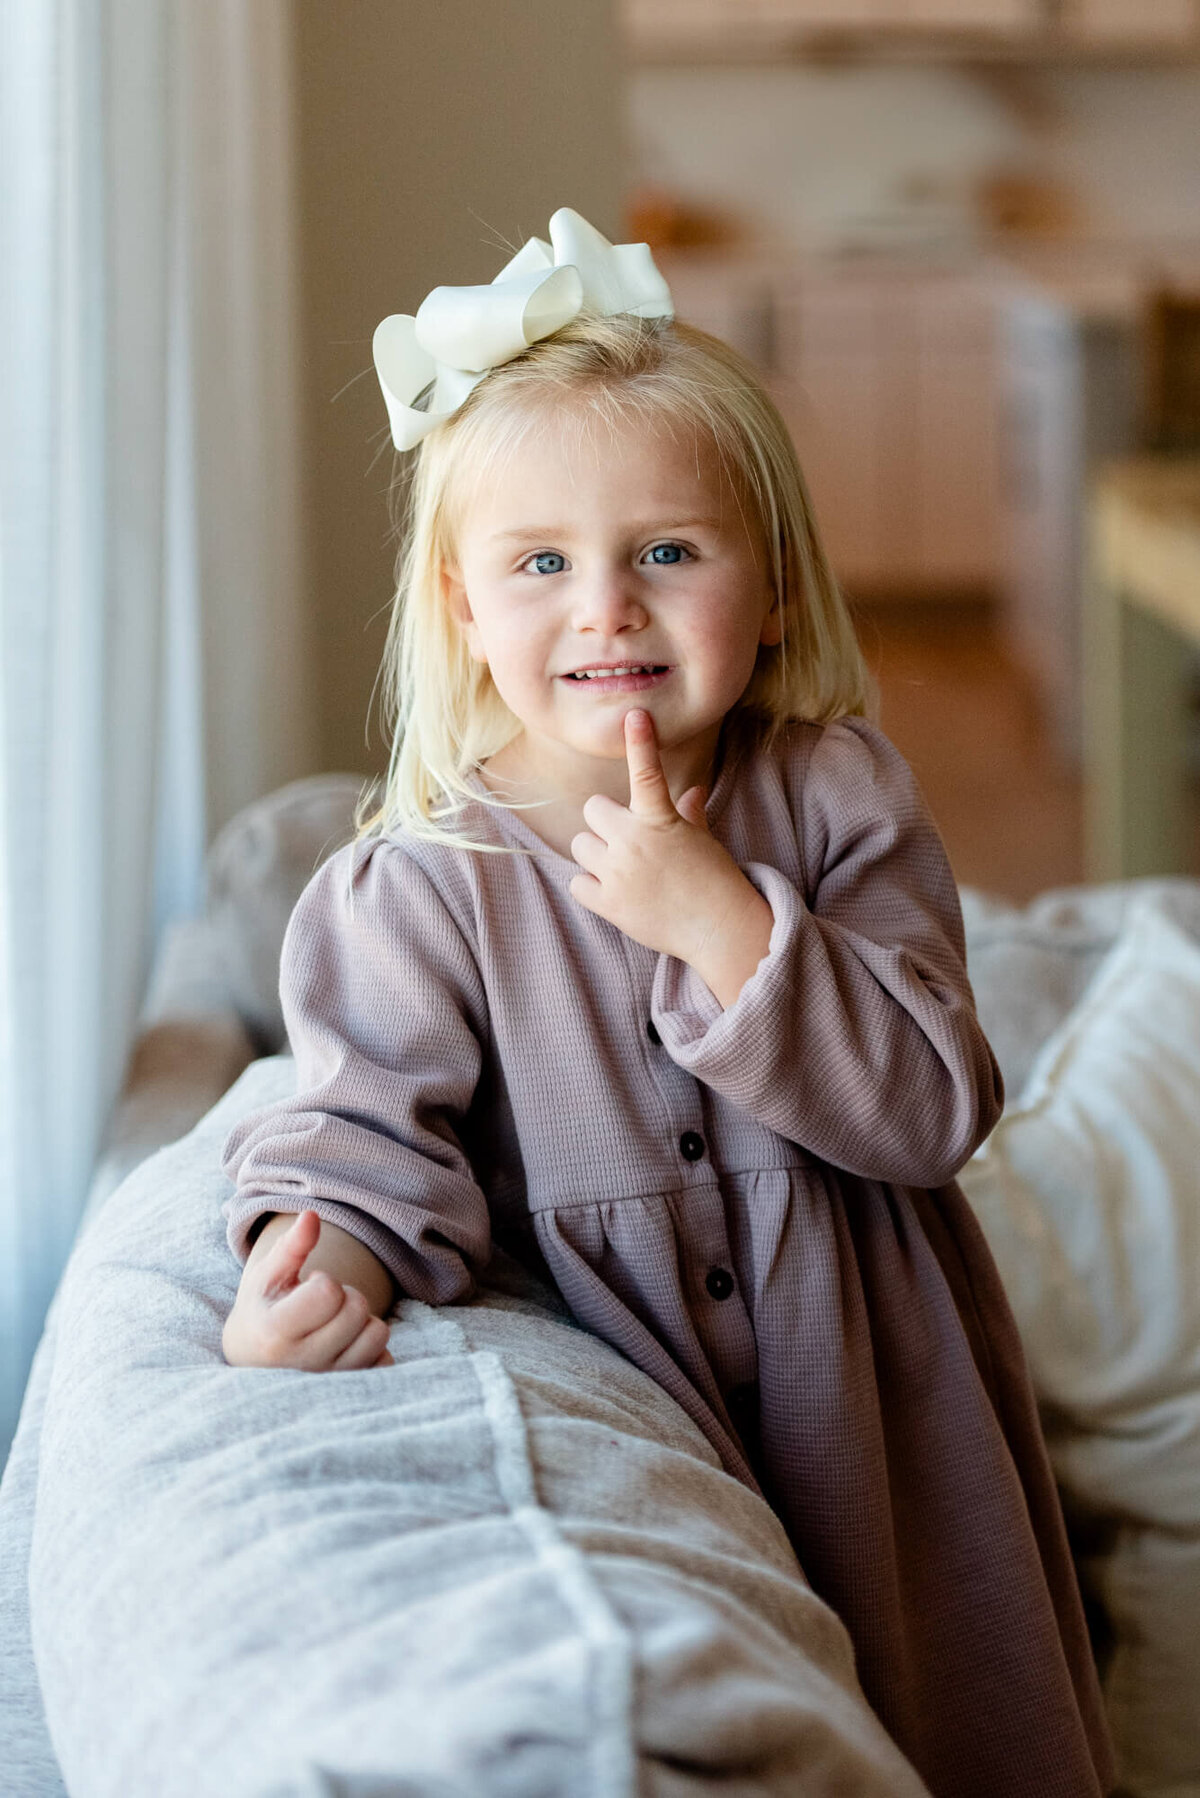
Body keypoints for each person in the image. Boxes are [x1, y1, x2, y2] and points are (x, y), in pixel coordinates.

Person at [220, 208, 1113, 1797]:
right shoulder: (423, 884)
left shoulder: (835, 799)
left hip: (882, 1397)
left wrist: (726, 925)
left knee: (948, 1707)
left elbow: (929, 1110)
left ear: (772, 590)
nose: (607, 605)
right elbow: (366, 1132)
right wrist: (321, 1250)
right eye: (543, 562)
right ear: (462, 609)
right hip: (642, 1402)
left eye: (669, 553)